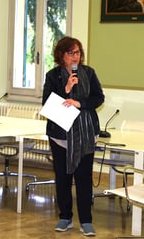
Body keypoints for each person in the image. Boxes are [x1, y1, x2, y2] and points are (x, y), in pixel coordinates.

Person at [42, 37, 105, 236]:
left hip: (86, 133)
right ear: (62, 55)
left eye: (78, 52)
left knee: (84, 178)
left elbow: (99, 97)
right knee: (63, 177)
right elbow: (47, 102)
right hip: (60, 135)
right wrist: (66, 89)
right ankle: (65, 217)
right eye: (71, 53)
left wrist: (80, 103)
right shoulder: (53, 76)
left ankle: (86, 221)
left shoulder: (89, 73)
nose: (75, 57)